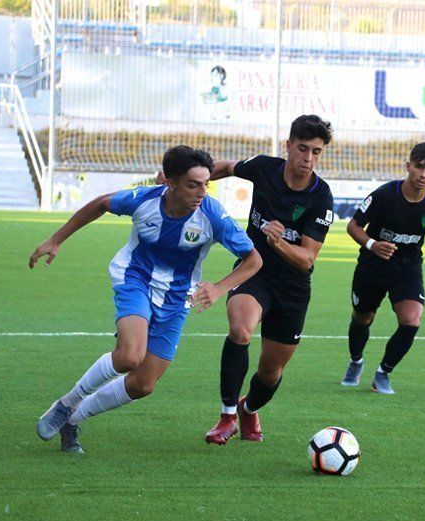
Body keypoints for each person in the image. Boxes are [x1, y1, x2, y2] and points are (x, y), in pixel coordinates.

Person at [30, 146, 262, 453]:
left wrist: (219, 288)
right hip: (135, 278)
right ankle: (65, 404)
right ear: (170, 183)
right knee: (129, 356)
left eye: (206, 184)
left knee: (143, 385)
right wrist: (56, 239)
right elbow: (101, 204)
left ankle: (72, 420)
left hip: (178, 297)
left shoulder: (213, 215)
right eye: (193, 184)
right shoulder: (144, 200)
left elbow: (253, 260)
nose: (201, 193)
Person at [203, 114, 335, 445]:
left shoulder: (321, 196)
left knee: (270, 373)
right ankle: (227, 416)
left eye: (316, 152)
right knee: (240, 329)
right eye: (303, 148)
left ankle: (249, 408)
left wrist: (279, 242)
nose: (308, 158)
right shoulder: (263, 167)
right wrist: (194, 179)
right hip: (254, 271)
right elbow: (228, 167)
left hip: (292, 288)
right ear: (288, 146)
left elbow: (307, 259)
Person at [340, 143, 425, 394]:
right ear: (408, 166)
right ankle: (356, 361)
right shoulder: (384, 195)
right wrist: (372, 244)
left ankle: (383, 373)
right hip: (372, 266)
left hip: (408, 268)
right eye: (419, 167)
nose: (423, 174)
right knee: (363, 317)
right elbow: (353, 226)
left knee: (411, 319)